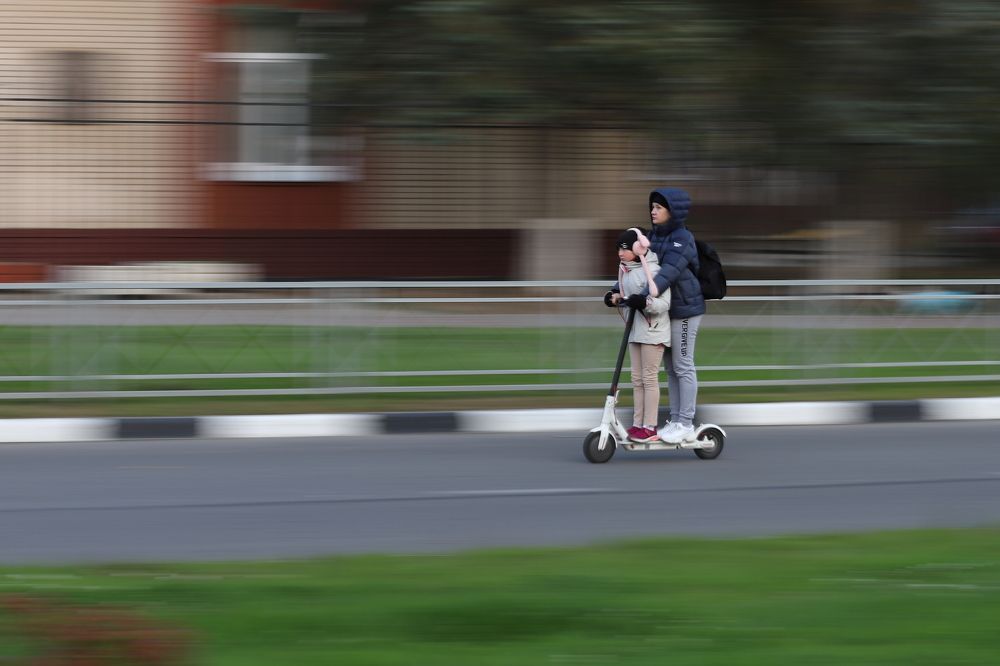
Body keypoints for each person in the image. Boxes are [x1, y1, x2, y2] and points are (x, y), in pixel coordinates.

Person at [642, 188, 706, 444]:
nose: (653, 211)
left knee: (683, 365)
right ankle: (676, 419)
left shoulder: (682, 238)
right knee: (670, 368)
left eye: (659, 207)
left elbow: (668, 271)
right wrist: (619, 291)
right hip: (667, 309)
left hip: (686, 310)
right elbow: (640, 266)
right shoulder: (653, 236)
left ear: (673, 211)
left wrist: (648, 292)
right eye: (652, 207)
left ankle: (686, 423)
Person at [603, 227, 671, 443]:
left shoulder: (654, 271)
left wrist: (644, 302)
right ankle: (637, 424)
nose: (620, 253)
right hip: (634, 330)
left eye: (625, 249)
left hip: (653, 331)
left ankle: (650, 427)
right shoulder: (625, 269)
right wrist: (614, 297)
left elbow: (664, 303)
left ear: (638, 247)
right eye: (618, 249)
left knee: (649, 379)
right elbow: (625, 295)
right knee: (636, 379)